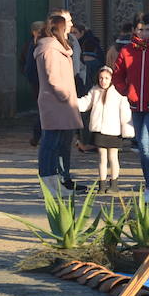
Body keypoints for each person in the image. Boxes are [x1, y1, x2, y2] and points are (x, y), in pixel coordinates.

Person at [111, 12, 149, 200]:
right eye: (140, 29)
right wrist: (125, 90)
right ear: (134, 30)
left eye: (147, 29)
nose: (144, 33)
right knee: (144, 147)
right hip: (136, 105)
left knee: (145, 143)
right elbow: (117, 75)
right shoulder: (126, 51)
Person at [34, 14, 83, 197]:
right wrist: (66, 95)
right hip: (56, 103)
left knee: (55, 146)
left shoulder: (55, 48)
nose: (70, 27)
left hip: (59, 103)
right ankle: (48, 185)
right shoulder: (50, 49)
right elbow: (53, 78)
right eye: (67, 25)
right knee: (50, 145)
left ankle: (55, 184)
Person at [78, 66, 133, 193]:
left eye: (107, 78)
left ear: (112, 79)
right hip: (99, 131)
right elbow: (85, 103)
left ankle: (114, 183)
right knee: (102, 157)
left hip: (114, 131)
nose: (103, 81)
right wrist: (72, 102)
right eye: (101, 78)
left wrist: (127, 129)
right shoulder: (95, 91)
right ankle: (102, 184)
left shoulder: (119, 93)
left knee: (113, 157)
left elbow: (125, 112)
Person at [21, 20, 45, 147]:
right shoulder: (32, 45)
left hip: (38, 81)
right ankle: (37, 135)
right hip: (38, 82)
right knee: (42, 110)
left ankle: (38, 135)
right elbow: (27, 65)